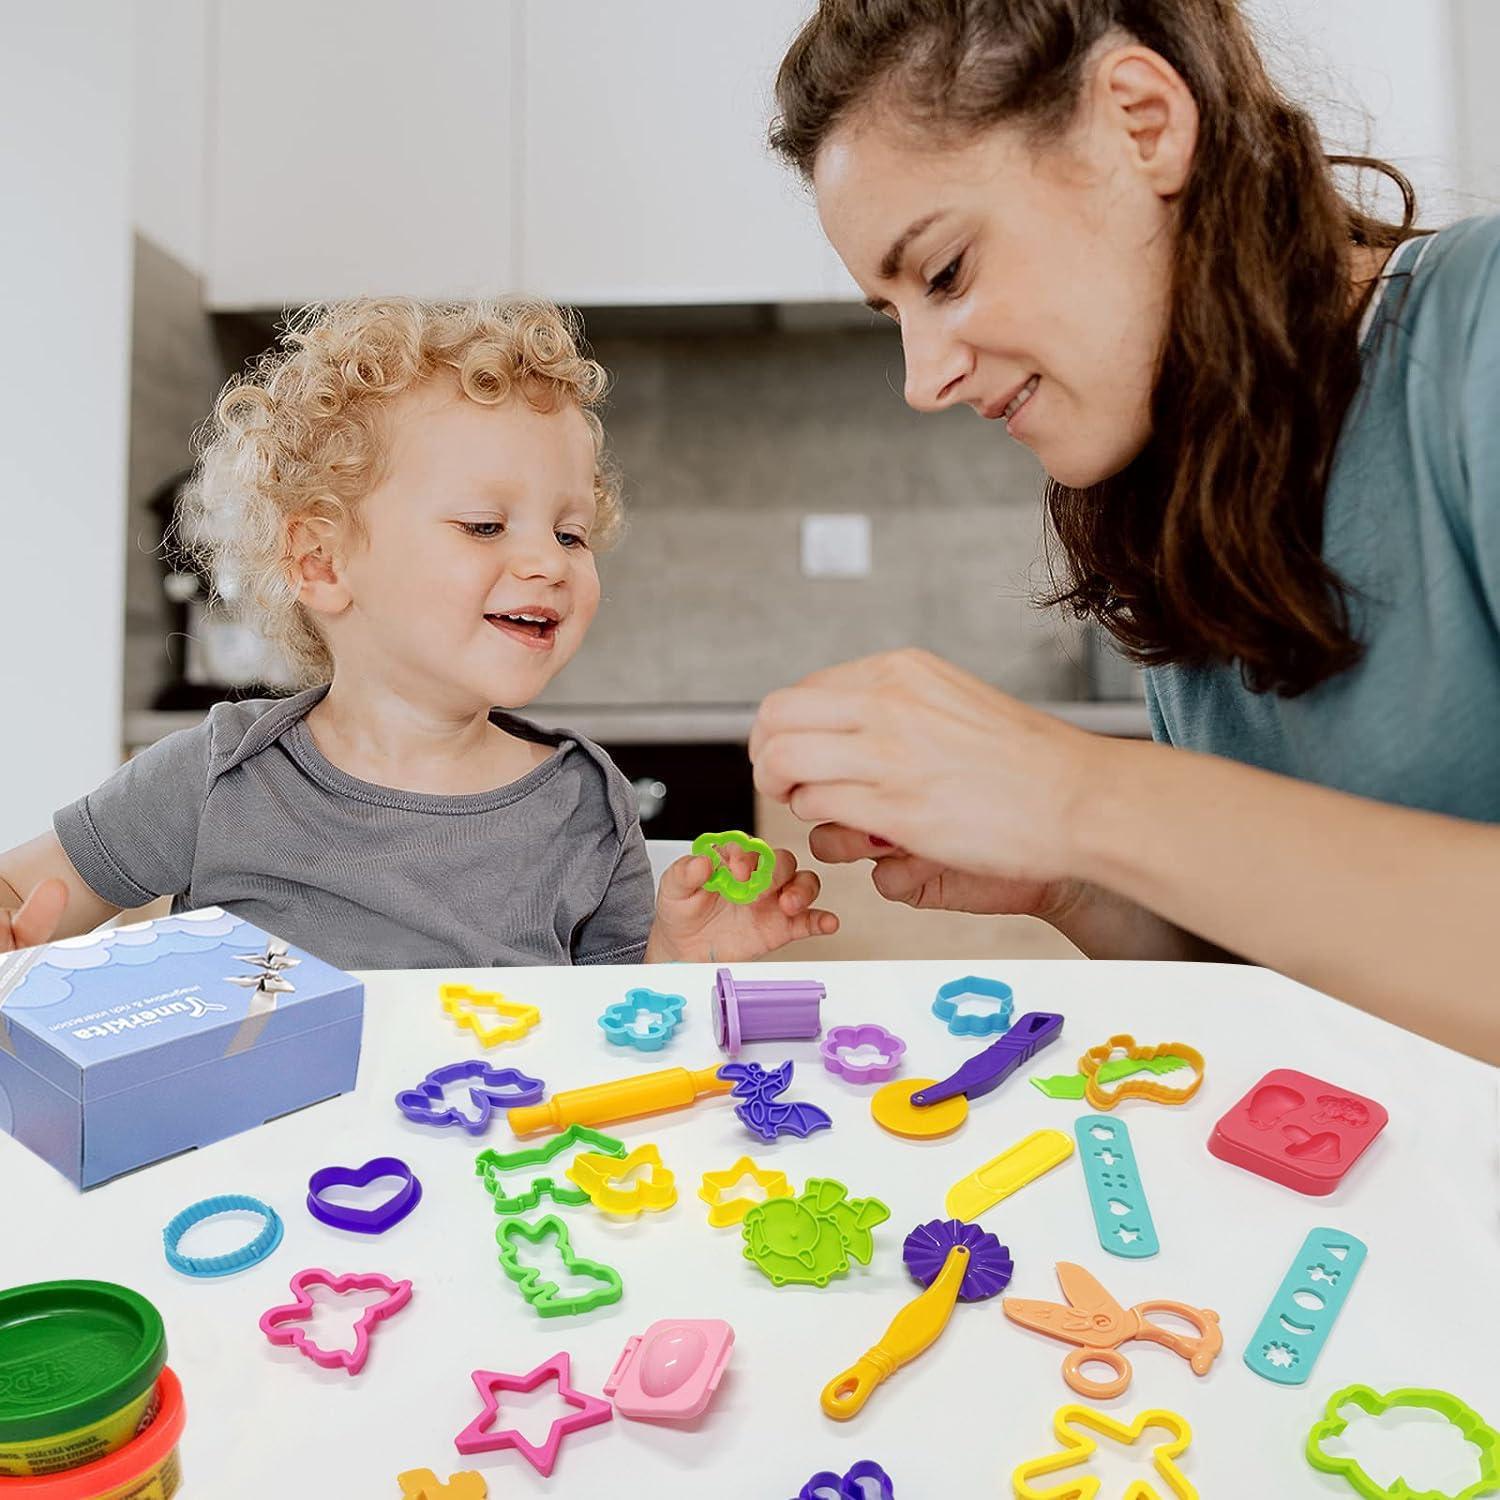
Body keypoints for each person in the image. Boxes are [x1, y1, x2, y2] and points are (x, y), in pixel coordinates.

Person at [750, 0, 1500, 1062]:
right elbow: (1290, 985)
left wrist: (1077, 794)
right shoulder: (1182, 509)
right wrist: (1077, 878)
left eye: (947, 272)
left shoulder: (1480, 330)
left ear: (1141, 124)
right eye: (895, 312)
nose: (923, 379)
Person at [0, 298, 836, 969]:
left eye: (571, 533)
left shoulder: (585, 802)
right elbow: (26, 892)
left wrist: (678, 962)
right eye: (483, 525)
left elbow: (605, 1031)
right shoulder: (219, 774)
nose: (548, 562)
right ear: (323, 562)